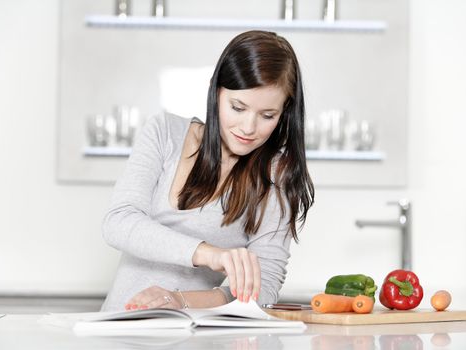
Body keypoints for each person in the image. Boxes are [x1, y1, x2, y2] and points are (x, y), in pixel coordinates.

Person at [100, 30, 314, 311]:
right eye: (238, 107)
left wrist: (179, 301)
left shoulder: (277, 174)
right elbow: (118, 222)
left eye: (267, 116)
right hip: (121, 331)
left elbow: (266, 282)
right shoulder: (165, 133)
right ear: (216, 93)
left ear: (285, 112)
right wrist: (209, 254)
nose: (248, 128)